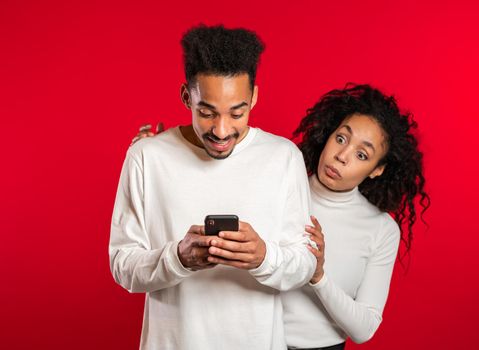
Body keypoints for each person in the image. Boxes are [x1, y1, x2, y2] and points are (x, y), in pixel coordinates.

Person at [134, 84, 429, 350]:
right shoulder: (275, 180)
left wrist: (317, 276)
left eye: (362, 155)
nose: (342, 155)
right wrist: (164, 157)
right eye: (341, 138)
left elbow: (364, 328)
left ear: (378, 169)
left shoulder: (381, 229)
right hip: (250, 340)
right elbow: (209, 199)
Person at [110, 24, 316, 350]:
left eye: (237, 113)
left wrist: (263, 257)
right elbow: (122, 266)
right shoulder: (146, 157)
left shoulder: (284, 158)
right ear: (185, 97)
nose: (221, 131)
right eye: (207, 112)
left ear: (254, 98)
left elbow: (305, 265)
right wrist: (178, 258)